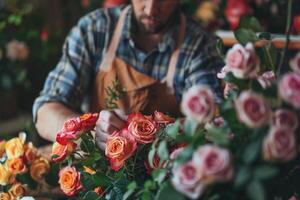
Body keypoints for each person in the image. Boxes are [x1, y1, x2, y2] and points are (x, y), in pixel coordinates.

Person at [33, 0, 224, 150]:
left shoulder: (200, 46)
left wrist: (149, 134)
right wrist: (91, 135)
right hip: (99, 175)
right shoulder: (94, 29)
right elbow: (45, 112)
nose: (150, 9)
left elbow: (211, 123)